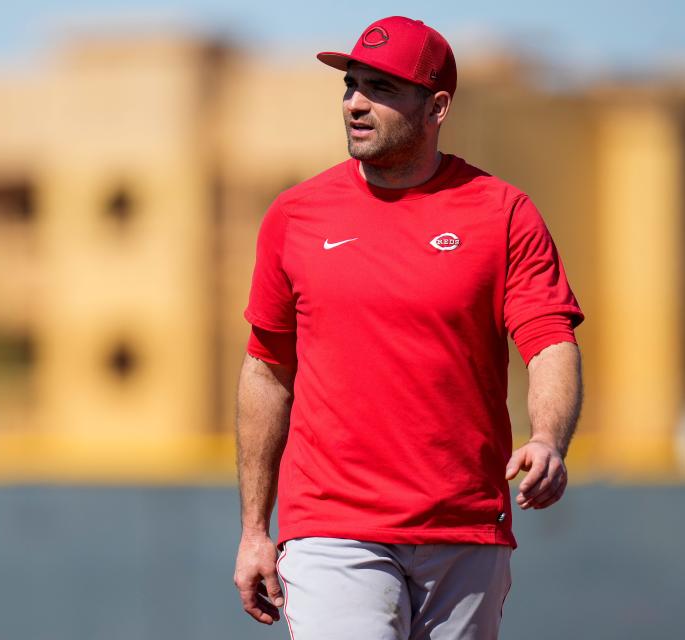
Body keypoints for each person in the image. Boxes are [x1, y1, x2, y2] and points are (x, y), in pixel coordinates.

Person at [232, 15, 584, 640]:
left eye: (382, 89)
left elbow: (550, 338)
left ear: (437, 106)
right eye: (351, 85)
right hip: (332, 527)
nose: (355, 103)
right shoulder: (295, 215)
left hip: (465, 527)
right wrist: (255, 530)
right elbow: (266, 371)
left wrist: (549, 438)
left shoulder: (504, 213)